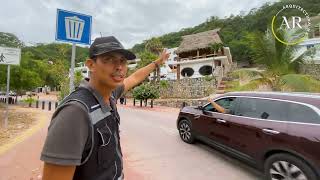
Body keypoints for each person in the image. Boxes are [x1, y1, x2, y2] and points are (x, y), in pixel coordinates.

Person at [40, 36, 170, 180]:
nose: (119, 67)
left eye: (122, 61)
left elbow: (134, 78)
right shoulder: (75, 112)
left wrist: (157, 63)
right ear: (91, 65)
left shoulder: (111, 94)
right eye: (109, 60)